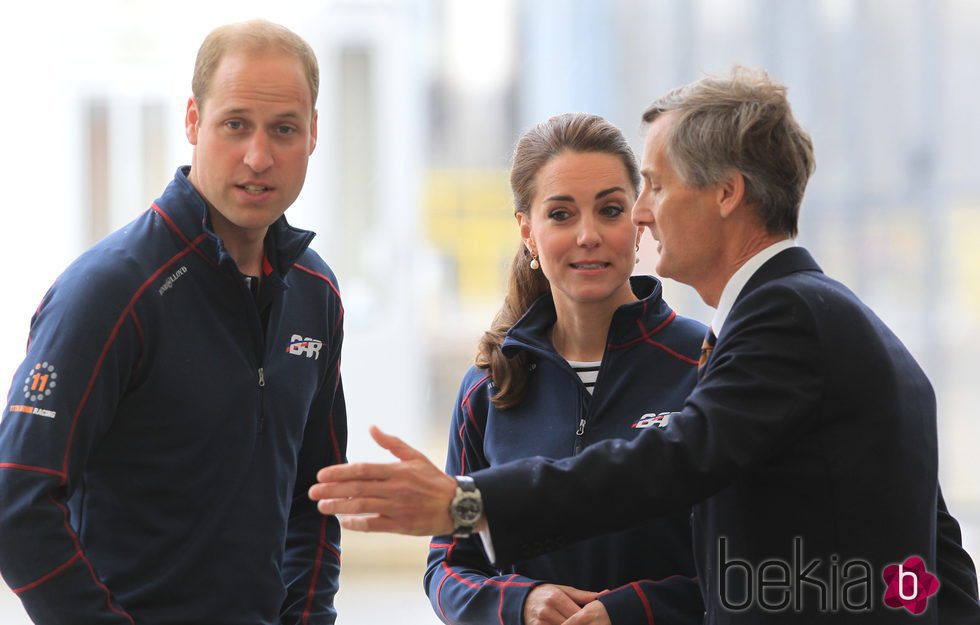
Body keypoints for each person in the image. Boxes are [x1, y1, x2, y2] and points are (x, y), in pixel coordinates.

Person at [309, 67, 979, 624]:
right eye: (562, 212)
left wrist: (470, 501)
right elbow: (939, 556)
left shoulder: (783, 322)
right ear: (527, 229)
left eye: (649, 187)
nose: (640, 213)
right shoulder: (814, 314)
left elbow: (666, 462)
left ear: (725, 192)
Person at [0, 19, 346, 625]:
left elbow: (314, 498)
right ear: (192, 121)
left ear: (313, 133)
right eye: (235, 124)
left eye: (284, 129)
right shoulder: (110, 290)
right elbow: (16, 499)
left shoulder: (314, 292)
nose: (258, 157)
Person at [425, 113, 705, 625]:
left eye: (610, 209)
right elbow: (449, 564)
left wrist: (629, 612)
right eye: (561, 214)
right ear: (527, 231)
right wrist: (518, 602)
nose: (589, 235)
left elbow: (745, 568)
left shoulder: (704, 365)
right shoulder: (489, 386)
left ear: (638, 221)